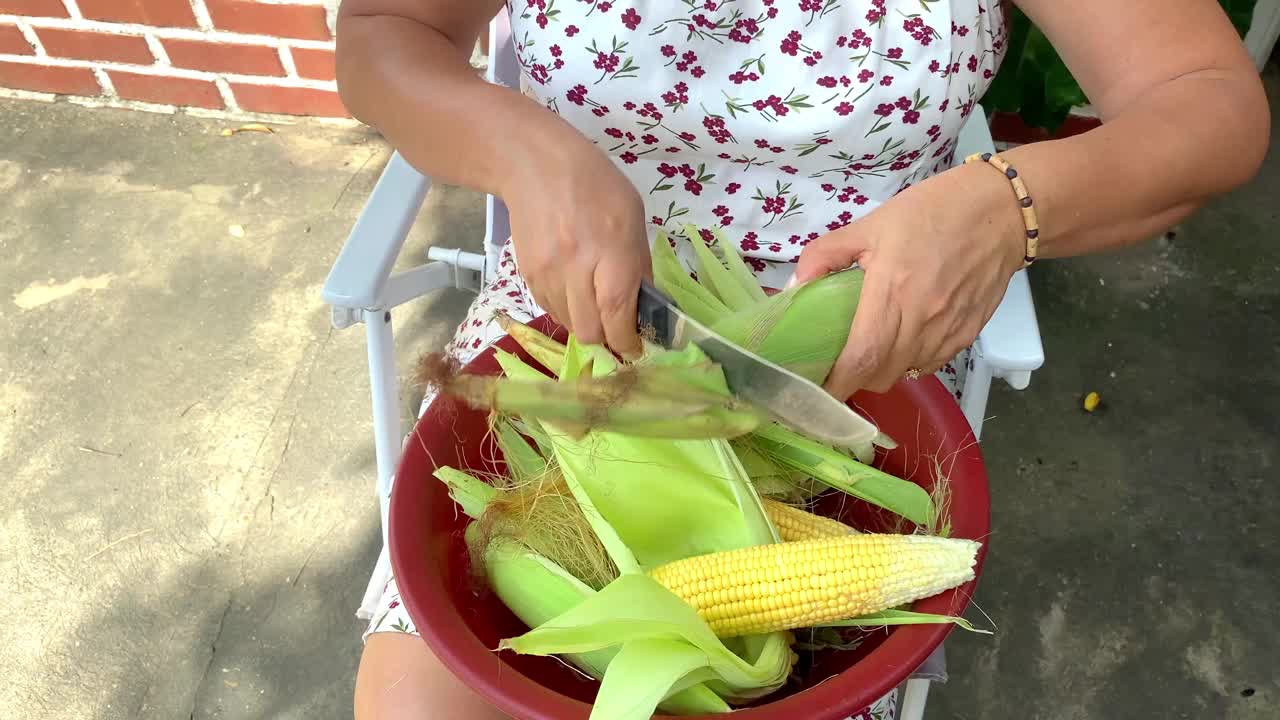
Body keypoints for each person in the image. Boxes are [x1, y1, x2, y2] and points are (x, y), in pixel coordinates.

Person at [335, 1, 1269, 717]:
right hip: (580, 323)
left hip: (868, 349)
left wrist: (1007, 208)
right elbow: (385, 35)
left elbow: (1210, 105)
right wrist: (524, 151)